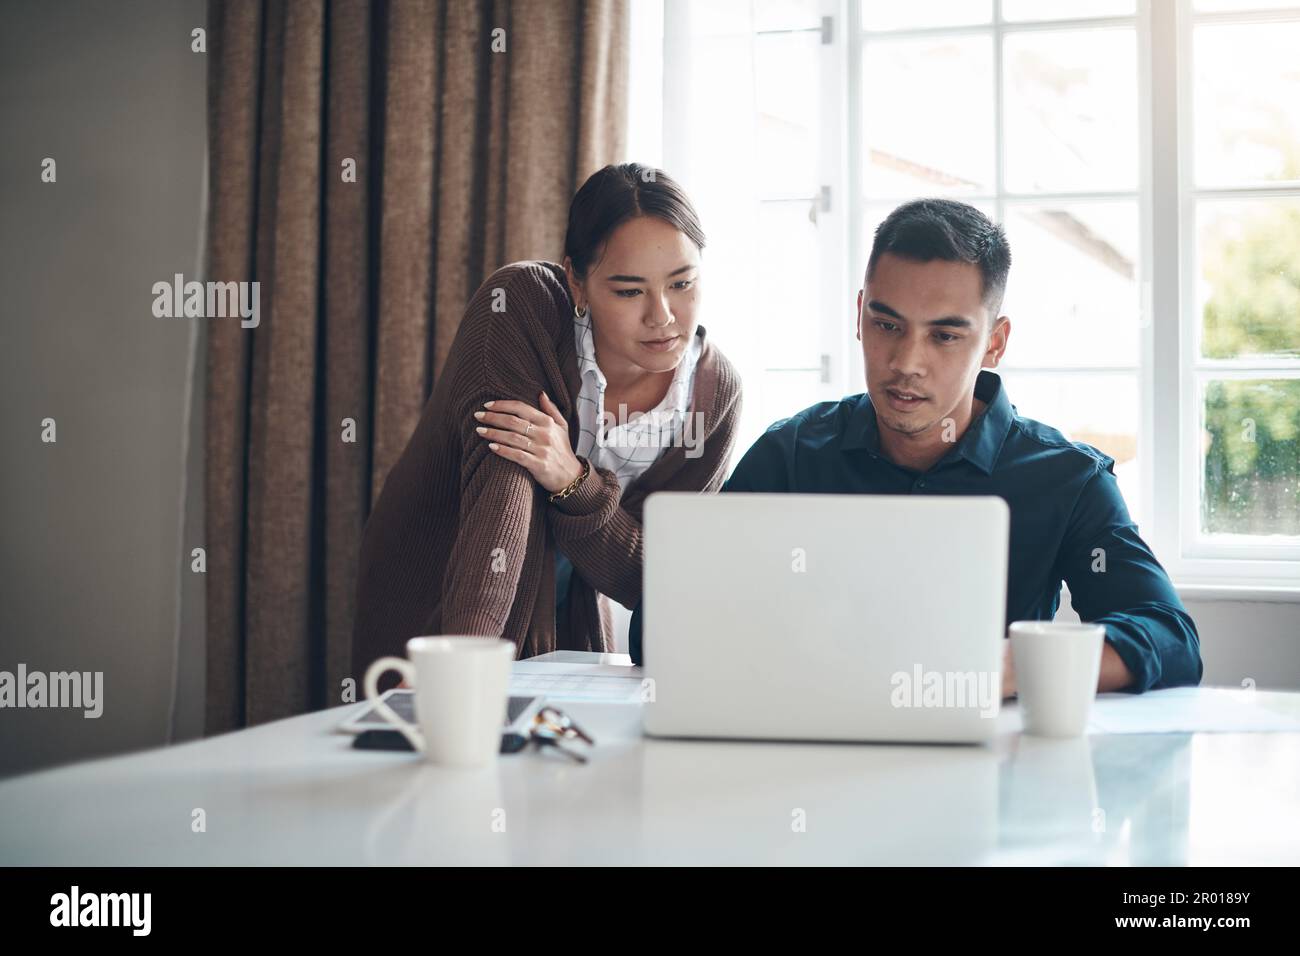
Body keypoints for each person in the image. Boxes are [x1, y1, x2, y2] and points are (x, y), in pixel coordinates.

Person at [630, 198, 1201, 697]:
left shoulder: (1066, 479)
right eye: (887, 325)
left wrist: (1012, 667)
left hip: (991, 783)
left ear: (995, 343)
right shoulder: (793, 453)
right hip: (811, 769)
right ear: (859, 316)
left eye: (945, 336)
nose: (906, 363)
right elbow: (655, 627)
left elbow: (1171, 638)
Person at [352, 163, 742, 683]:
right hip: (442, 597)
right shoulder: (522, 307)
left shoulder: (714, 397)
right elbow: (503, 492)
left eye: (682, 283)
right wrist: (456, 665)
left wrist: (573, 482)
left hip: (565, 621)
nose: (663, 316)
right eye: (629, 291)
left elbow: (660, 579)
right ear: (577, 283)